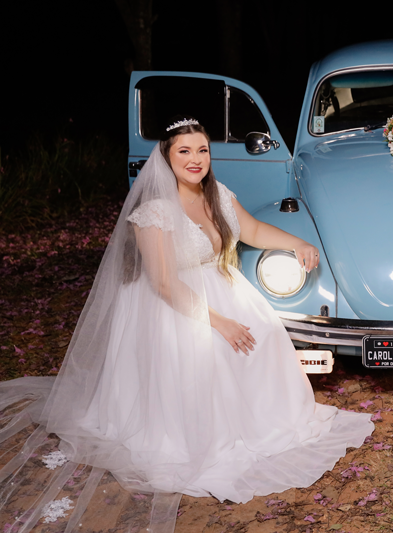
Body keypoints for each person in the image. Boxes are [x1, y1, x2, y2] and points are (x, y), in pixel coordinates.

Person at [0, 117, 374, 530]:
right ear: (166, 157)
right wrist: (219, 322)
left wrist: (297, 242)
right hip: (172, 301)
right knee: (210, 350)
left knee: (265, 332)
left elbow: (251, 230)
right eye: (184, 151)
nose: (196, 159)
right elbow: (163, 283)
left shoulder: (219, 194)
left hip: (219, 285)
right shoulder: (154, 213)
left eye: (202, 150)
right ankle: (212, 435)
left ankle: (264, 420)